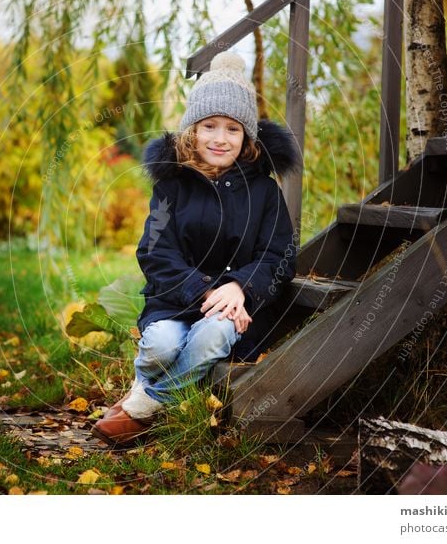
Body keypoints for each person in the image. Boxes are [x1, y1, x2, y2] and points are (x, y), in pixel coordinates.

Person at [91, 51, 300, 446]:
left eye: (233, 129)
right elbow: (155, 253)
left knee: (213, 336)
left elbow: (279, 256)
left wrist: (239, 287)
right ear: (192, 130)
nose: (220, 138)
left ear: (248, 137)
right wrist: (203, 289)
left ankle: (142, 406)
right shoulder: (173, 186)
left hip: (235, 309)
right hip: (175, 300)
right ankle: (152, 392)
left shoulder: (264, 192)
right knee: (160, 345)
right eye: (209, 126)